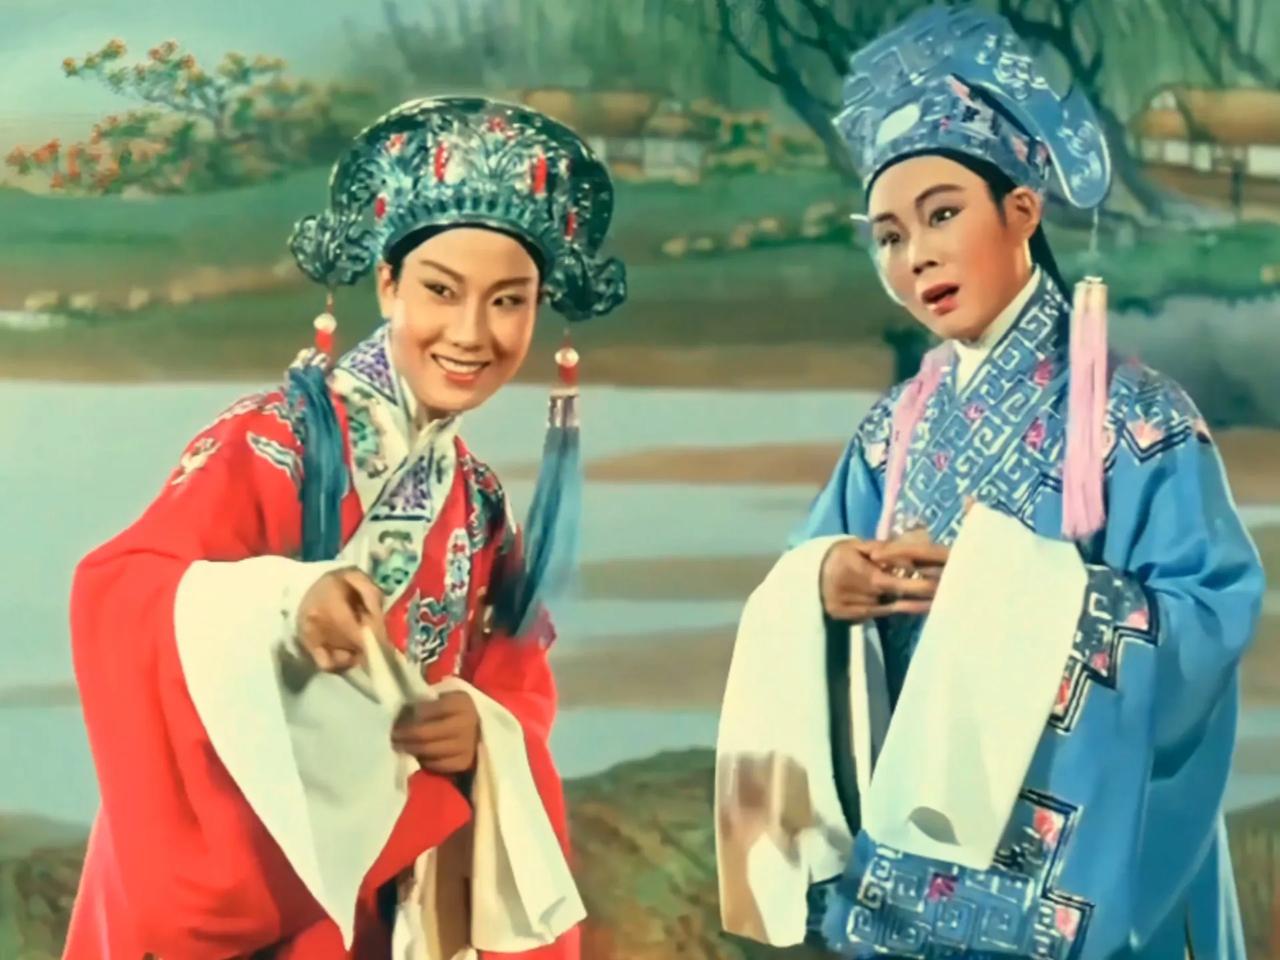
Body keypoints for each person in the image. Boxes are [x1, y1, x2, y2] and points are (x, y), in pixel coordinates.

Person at [715, 7, 1263, 959]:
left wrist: (1009, 593)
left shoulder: (1136, 416)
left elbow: (1209, 616)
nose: (915, 256)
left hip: (1075, 858)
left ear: (1023, 211)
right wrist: (823, 583)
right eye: (888, 236)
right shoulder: (891, 432)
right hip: (909, 863)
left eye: (941, 214)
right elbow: (807, 579)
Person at [65, 96, 626, 960]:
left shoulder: (480, 503)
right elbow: (126, 590)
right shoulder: (272, 443)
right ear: (387, 284)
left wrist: (479, 729)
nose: (472, 333)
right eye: (441, 290)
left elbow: (516, 681)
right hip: (258, 861)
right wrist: (286, 604)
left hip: (391, 887)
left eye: (509, 301)